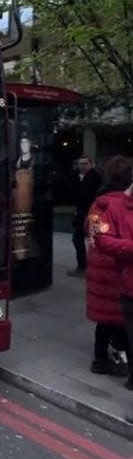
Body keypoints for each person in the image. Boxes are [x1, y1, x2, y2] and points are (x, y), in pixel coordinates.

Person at [85, 156, 133, 376]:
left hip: (99, 268)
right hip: (119, 269)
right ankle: (122, 359)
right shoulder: (122, 204)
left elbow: (93, 236)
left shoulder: (98, 203)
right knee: (122, 319)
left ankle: (100, 359)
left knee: (104, 321)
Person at [67, 155, 102, 276]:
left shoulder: (95, 177)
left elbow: (86, 195)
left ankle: (87, 267)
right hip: (81, 212)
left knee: (92, 240)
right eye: (80, 163)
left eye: (85, 163)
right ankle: (83, 266)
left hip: (90, 213)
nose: (82, 166)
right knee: (78, 239)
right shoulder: (78, 177)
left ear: (91, 164)